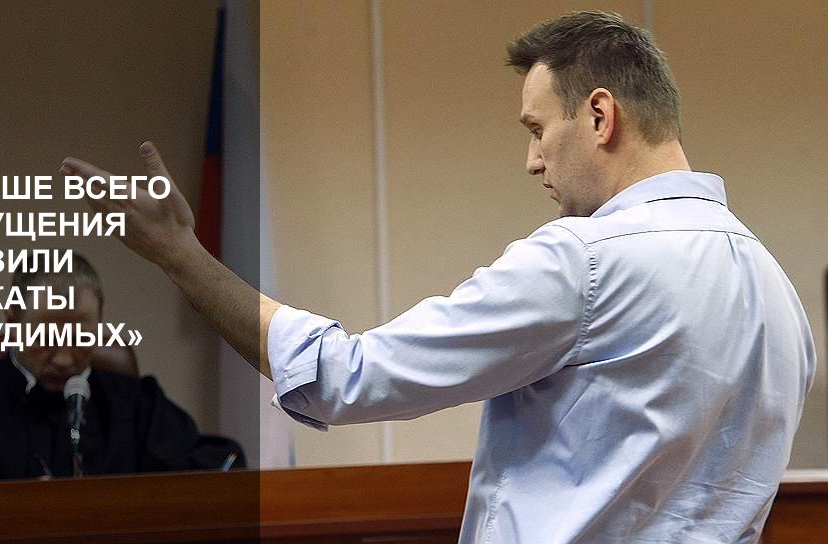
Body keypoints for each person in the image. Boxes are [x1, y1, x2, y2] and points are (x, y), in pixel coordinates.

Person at [59, 11, 815, 543]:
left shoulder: (584, 262)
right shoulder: (779, 295)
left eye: (537, 129)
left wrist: (180, 254)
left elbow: (342, 378)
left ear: (599, 116)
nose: (532, 161)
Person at [0, 254, 244, 486]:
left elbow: (215, 466)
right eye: (46, 336)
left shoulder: (135, 403)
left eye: (82, 336)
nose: (65, 359)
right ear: (12, 322)